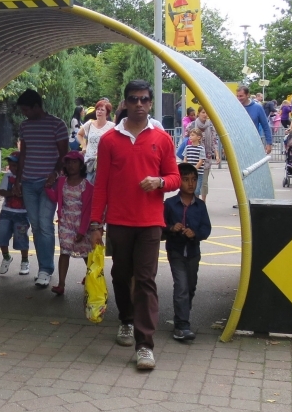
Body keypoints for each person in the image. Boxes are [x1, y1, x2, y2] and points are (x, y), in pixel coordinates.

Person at [89, 80, 181, 371]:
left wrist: (160, 182)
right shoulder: (109, 140)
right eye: (133, 99)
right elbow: (100, 184)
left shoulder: (162, 139)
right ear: (125, 103)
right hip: (119, 221)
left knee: (145, 281)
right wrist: (95, 224)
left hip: (151, 222)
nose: (139, 104)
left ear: (150, 103)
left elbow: (175, 177)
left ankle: (145, 345)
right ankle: (126, 321)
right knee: (120, 275)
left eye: (144, 99)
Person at [11, 89, 68, 288]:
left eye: (27, 109)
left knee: (45, 225)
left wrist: (55, 173)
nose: (24, 113)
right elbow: (23, 155)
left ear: (37, 106)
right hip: (27, 182)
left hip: (48, 184)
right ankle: (44, 267)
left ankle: (46, 269)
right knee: (35, 226)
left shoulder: (57, 124)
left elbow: (64, 155)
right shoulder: (25, 126)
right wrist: (18, 181)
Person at [164, 163, 211, 342]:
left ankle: (182, 317)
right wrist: (171, 228)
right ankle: (182, 325)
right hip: (175, 251)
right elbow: (160, 228)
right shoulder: (169, 204)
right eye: (185, 180)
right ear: (178, 182)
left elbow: (206, 229)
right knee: (181, 287)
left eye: (194, 180)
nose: (190, 184)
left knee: (190, 287)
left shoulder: (200, 205)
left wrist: (195, 234)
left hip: (193, 252)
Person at [46, 151, 93, 296]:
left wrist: (82, 231)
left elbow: (88, 211)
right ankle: (61, 284)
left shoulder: (88, 186)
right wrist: (47, 187)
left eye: (74, 162)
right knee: (64, 251)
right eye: (68, 162)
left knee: (86, 254)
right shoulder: (61, 182)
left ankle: (92, 277)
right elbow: (56, 198)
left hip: (82, 224)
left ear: (81, 165)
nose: (71, 165)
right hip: (65, 222)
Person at [0, 152, 30, 276]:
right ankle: (6, 257)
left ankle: (25, 261)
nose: (12, 167)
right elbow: (1, 191)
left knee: (21, 237)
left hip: (22, 213)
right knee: (1, 234)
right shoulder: (8, 176)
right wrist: (12, 193)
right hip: (7, 211)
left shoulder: (27, 178)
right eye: (10, 165)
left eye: (15, 165)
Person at [77, 99, 115, 182]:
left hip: (104, 161)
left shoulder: (112, 127)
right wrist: (84, 146)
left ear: (107, 113)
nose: (99, 112)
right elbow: (79, 134)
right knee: (88, 187)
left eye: (102, 110)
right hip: (89, 161)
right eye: (98, 109)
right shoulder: (90, 124)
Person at [236, 86, 273, 155]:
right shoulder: (235, 107)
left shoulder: (257, 108)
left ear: (248, 95)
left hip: (253, 143)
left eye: (241, 96)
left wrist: (269, 143)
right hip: (238, 144)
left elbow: (265, 126)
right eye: (237, 96)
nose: (238, 98)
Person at [192, 107, 218, 202]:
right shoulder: (193, 125)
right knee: (194, 181)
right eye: (203, 112)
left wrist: (217, 154)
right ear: (198, 113)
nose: (205, 114)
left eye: (207, 112)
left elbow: (214, 140)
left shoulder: (210, 125)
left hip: (206, 157)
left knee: (204, 182)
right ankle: (195, 201)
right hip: (194, 157)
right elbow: (187, 137)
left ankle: (203, 202)